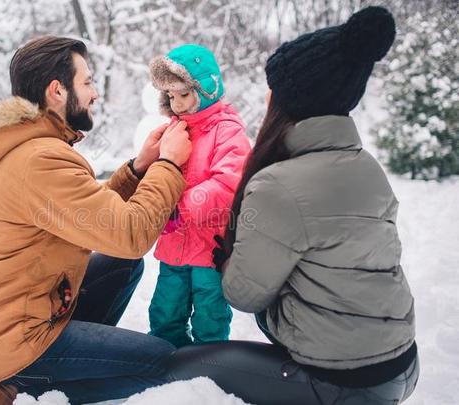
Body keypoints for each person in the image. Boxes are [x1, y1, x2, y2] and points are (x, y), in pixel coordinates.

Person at [166, 7, 419, 404]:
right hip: (402, 364)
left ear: (289, 100)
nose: (266, 96)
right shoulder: (368, 167)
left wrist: (228, 256)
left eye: (273, 88)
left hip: (340, 380)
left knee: (183, 369)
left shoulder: (277, 185)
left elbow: (243, 294)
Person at [0, 36, 193, 405]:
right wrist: (169, 165)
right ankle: (21, 389)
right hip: (13, 344)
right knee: (163, 365)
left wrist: (139, 168)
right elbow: (130, 233)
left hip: (11, 320)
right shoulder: (38, 160)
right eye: (88, 82)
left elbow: (88, 213)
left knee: (121, 265)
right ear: (57, 90)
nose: (95, 93)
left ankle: (66, 360)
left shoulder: (31, 149)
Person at [147, 44, 251, 347]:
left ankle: (209, 363)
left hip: (209, 247)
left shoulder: (227, 131)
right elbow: (159, 174)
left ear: (206, 89)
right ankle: (165, 356)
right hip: (174, 245)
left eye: (184, 94)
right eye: (170, 96)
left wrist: (181, 205)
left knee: (210, 313)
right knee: (166, 308)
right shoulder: (172, 131)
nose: (176, 104)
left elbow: (230, 184)